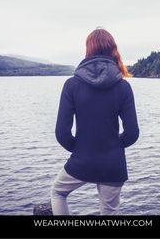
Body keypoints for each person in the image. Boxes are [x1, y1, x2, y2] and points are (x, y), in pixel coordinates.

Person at [50, 28, 139, 215]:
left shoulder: (71, 85)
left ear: (88, 50)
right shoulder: (123, 87)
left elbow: (62, 134)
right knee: (109, 213)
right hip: (113, 164)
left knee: (58, 193)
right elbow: (132, 133)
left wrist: (83, 149)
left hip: (83, 160)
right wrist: (113, 146)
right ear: (112, 49)